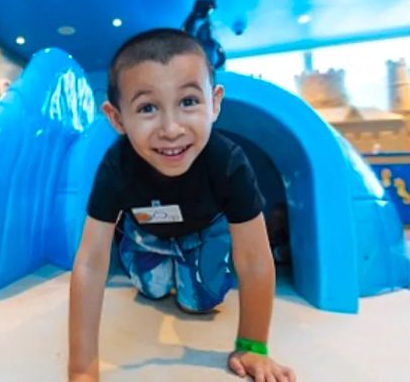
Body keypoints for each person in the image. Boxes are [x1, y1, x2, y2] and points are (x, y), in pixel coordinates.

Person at [68, 28, 296, 381]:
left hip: (205, 233)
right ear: (117, 119)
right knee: (153, 289)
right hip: (147, 235)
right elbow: (91, 264)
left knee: (199, 302)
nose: (171, 129)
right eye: (147, 108)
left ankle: (189, 267)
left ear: (214, 103)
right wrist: (82, 370)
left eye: (188, 102)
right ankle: (150, 263)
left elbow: (253, 258)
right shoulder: (116, 167)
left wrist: (254, 347)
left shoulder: (229, 162)